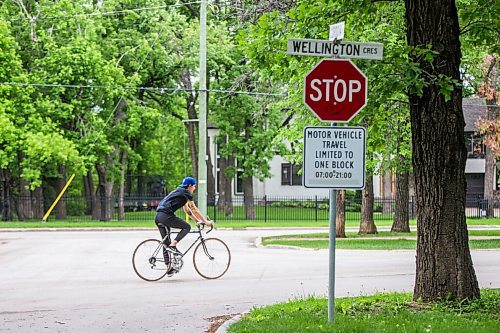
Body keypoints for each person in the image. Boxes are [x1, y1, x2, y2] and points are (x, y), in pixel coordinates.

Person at [155, 176, 212, 274]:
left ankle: (168, 268)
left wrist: (196, 221)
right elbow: (194, 208)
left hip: (159, 216)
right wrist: (206, 222)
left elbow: (187, 210)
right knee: (187, 227)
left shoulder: (180, 192)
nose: (194, 188)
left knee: (166, 243)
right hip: (166, 216)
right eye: (194, 186)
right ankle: (174, 245)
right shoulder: (186, 193)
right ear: (189, 186)